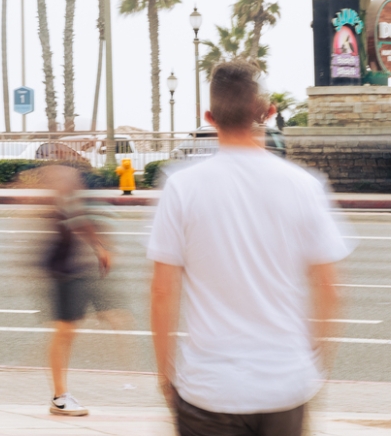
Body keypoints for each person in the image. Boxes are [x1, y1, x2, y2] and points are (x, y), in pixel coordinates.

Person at [148, 60, 351, 436]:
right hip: (285, 388)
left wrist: (166, 375)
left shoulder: (182, 187)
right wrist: (312, 363)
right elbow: (330, 288)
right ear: (268, 113)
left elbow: (162, 292)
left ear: (209, 117)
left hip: (208, 390)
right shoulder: (305, 186)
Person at [41, 165, 125, 416]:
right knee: (65, 331)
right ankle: (59, 397)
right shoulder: (63, 203)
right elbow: (81, 222)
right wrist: (100, 248)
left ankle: (60, 395)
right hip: (65, 272)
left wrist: (100, 247)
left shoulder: (69, 201)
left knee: (69, 330)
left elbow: (84, 222)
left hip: (76, 271)